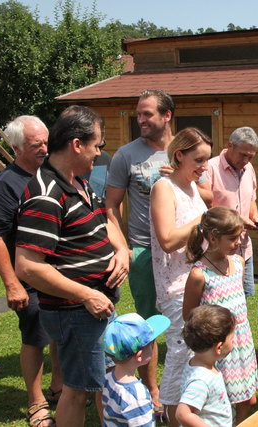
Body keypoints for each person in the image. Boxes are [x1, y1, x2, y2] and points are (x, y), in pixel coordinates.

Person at [15, 106, 130, 426]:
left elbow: (104, 217)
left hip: (97, 305)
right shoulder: (46, 194)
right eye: (98, 145)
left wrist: (120, 251)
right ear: (77, 144)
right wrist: (85, 295)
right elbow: (27, 266)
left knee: (101, 380)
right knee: (76, 391)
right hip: (76, 312)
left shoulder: (78, 181)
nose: (99, 153)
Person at [0, 115, 63, 426]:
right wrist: (11, 285)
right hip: (29, 277)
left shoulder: (51, 175)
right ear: (17, 147)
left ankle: (58, 387)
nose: (45, 148)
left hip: (57, 272)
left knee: (60, 330)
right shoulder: (6, 185)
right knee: (35, 335)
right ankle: (35, 402)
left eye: (46, 141)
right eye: (37, 144)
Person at [106, 89, 175, 415]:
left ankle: (184, 381)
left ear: (167, 115)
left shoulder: (183, 150)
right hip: (144, 250)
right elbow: (111, 206)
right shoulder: (126, 155)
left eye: (147, 114)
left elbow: (208, 194)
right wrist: (123, 248)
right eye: (138, 114)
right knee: (150, 323)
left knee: (184, 316)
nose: (141, 120)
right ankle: (152, 390)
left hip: (181, 251)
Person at [150, 127, 211, 425]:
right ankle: (170, 414)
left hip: (197, 280)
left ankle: (187, 414)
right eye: (199, 160)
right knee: (179, 353)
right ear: (179, 155)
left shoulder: (192, 187)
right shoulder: (164, 187)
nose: (204, 167)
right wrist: (203, 220)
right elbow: (167, 239)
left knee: (195, 352)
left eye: (207, 160)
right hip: (175, 286)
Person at [182, 207, 258, 424]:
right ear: (213, 238)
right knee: (221, 402)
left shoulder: (239, 263)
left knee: (249, 400)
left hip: (241, 342)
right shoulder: (199, 274)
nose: (239, 242)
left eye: (241, 236)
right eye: (233, 238)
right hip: (217, 347)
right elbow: (189, 315)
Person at [205, 126, 258, 299]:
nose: (246, 160)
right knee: (221, 299)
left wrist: (254, 217)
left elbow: (251, 199)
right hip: (218, 251)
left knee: (243, 299)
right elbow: (206, 210)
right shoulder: (210, 168)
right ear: (230, 145)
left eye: (251, 156)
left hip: (244, 249)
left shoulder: (249, 169)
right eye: (243, 154)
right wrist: (239, 220)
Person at [102, 313, 170, 427]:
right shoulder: (137, 395)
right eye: (151, 344)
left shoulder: (107, 378)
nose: (153, 347)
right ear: (139, 355)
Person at [176, 305, 236, 427]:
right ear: (219, 347)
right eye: (231, 338)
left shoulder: (198, 363)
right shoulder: (201, 380)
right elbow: (182, 414)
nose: (233, 342)